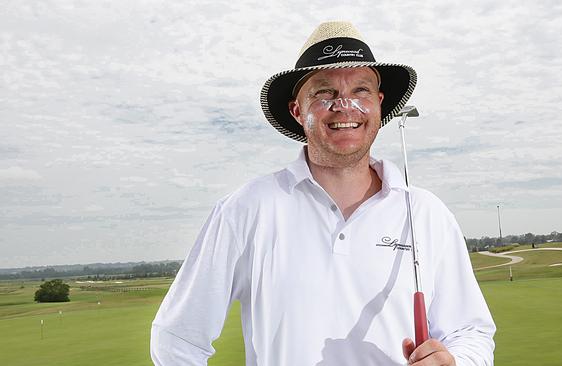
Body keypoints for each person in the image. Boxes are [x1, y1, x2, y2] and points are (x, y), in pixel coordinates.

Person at [151, 21, 495, 366]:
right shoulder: (246, 209)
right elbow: (177, 337)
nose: (344, 106)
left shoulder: (426, 212)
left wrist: (456, 362)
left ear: (378, 104)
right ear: (297, 110)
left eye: (360, 90)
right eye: (323, 92)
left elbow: (470, 333)